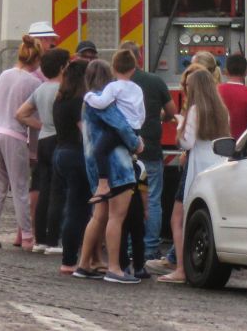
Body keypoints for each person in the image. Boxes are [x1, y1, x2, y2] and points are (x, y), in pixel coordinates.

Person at [159, 67, 229, 284]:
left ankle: (180, 268)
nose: (186, 89)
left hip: (196, 167)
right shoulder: (221, 110)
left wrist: (180, 125)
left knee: (177, 218)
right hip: (216, 167)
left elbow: (186, 142)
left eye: (188, 87)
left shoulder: (195, 110)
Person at [74, 59, 142, 283]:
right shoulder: (105, 103)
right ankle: (114, 268)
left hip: (95, 167)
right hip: (118, 167)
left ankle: (83, 264)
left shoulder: (87, 102)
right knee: (116, 217)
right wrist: (136, 143)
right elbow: (121, 126)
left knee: (99, 216)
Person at [0, 34, 47, 249]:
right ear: (36, 59)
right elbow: (33, 120)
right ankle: (28, 237)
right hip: (13, 135)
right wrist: (33, 152)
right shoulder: (34, 82)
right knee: (20, 187)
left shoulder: (4, 75)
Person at [120, 40, 175, 262]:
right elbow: (171, 111)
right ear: (139, 58)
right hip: (151, 148)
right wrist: (160, 117)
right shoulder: (155, 81)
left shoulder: (115, 84)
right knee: (152, 199)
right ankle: (151, 246)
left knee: (126, 197)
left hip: (125, 150)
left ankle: (130, 245)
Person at [15, 47, 70, 254]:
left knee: (44, 189)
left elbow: (20, 114)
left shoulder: (40, 89)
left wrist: (40, 124)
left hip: (43, 141)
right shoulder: (64, 90)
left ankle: (41, 239)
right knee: (58, 191)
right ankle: (54, 240)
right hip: (59, 139)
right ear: (63, 67)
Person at [84, 49, 145, 203]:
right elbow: (142, 112)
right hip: (135, 128)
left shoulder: (113, 87)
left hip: (118, 129)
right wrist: (137, 131)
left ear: (113, 68)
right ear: (133, 69)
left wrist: (89, 96)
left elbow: (102, 103)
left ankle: (103, 184)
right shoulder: (137, 89)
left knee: (100, 151)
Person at [51, 59, 90, 275]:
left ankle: (70, 256)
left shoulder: (60, 100)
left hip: (60, 152)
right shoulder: (78, 103)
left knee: (69, 205)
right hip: (76, 155)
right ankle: (70, 259)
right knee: (77, 209)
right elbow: (86, 134)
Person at [218, 52, 247, 138]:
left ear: (226, 71)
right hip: (241, 147)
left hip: (216, 147)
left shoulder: (215, 92)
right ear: (246, 72)